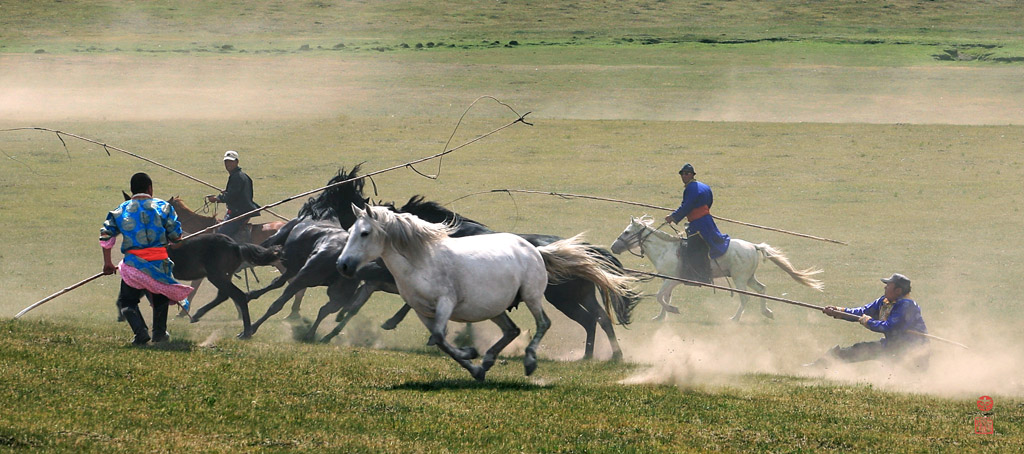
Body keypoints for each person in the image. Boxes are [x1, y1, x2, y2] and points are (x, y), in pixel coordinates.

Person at [101, 172, 193, 345]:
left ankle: (140, 332)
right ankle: (159, 334)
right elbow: (176, 238)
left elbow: (106, 236)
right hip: (159, 264)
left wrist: (108, 263)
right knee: (160, 298)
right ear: (150, 188)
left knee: (127, 301)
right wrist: (175, 242)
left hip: (134, 266)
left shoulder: (121, 210)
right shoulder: (164, 207)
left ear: (131, 189)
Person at [810, 273, 930, 368]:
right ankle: (817, 368)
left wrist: (868, 322)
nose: (885, 287)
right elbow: (862, 312)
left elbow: (890, 327)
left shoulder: (907, 305)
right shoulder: (884, 301)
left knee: (909, 378)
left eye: (888, 285)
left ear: (898, 290)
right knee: (856, 351)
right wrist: (839, 311)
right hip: (892, 346)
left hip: (911, 351)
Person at [664, 163, 730, 283]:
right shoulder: (705, 186)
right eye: (682, 174)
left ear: (692, 175)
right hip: (706, 220)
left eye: (686, 174)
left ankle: (699, 276)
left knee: (692, 248)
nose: (684, 176)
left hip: (698, 224)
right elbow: (709, 202)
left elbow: (686, 206)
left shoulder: (690, 188)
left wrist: (673, 217)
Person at [206, 150, 260, 240]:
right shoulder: (242, 176)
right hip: (240, 210)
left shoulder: (237, 177)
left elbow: (231, 197)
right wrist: (228, 191)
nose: (228, 164)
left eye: (231, 161)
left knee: (220, 236)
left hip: (239, 213)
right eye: (226, 161)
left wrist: (217, 198)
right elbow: (238, 192)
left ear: (237, 162)